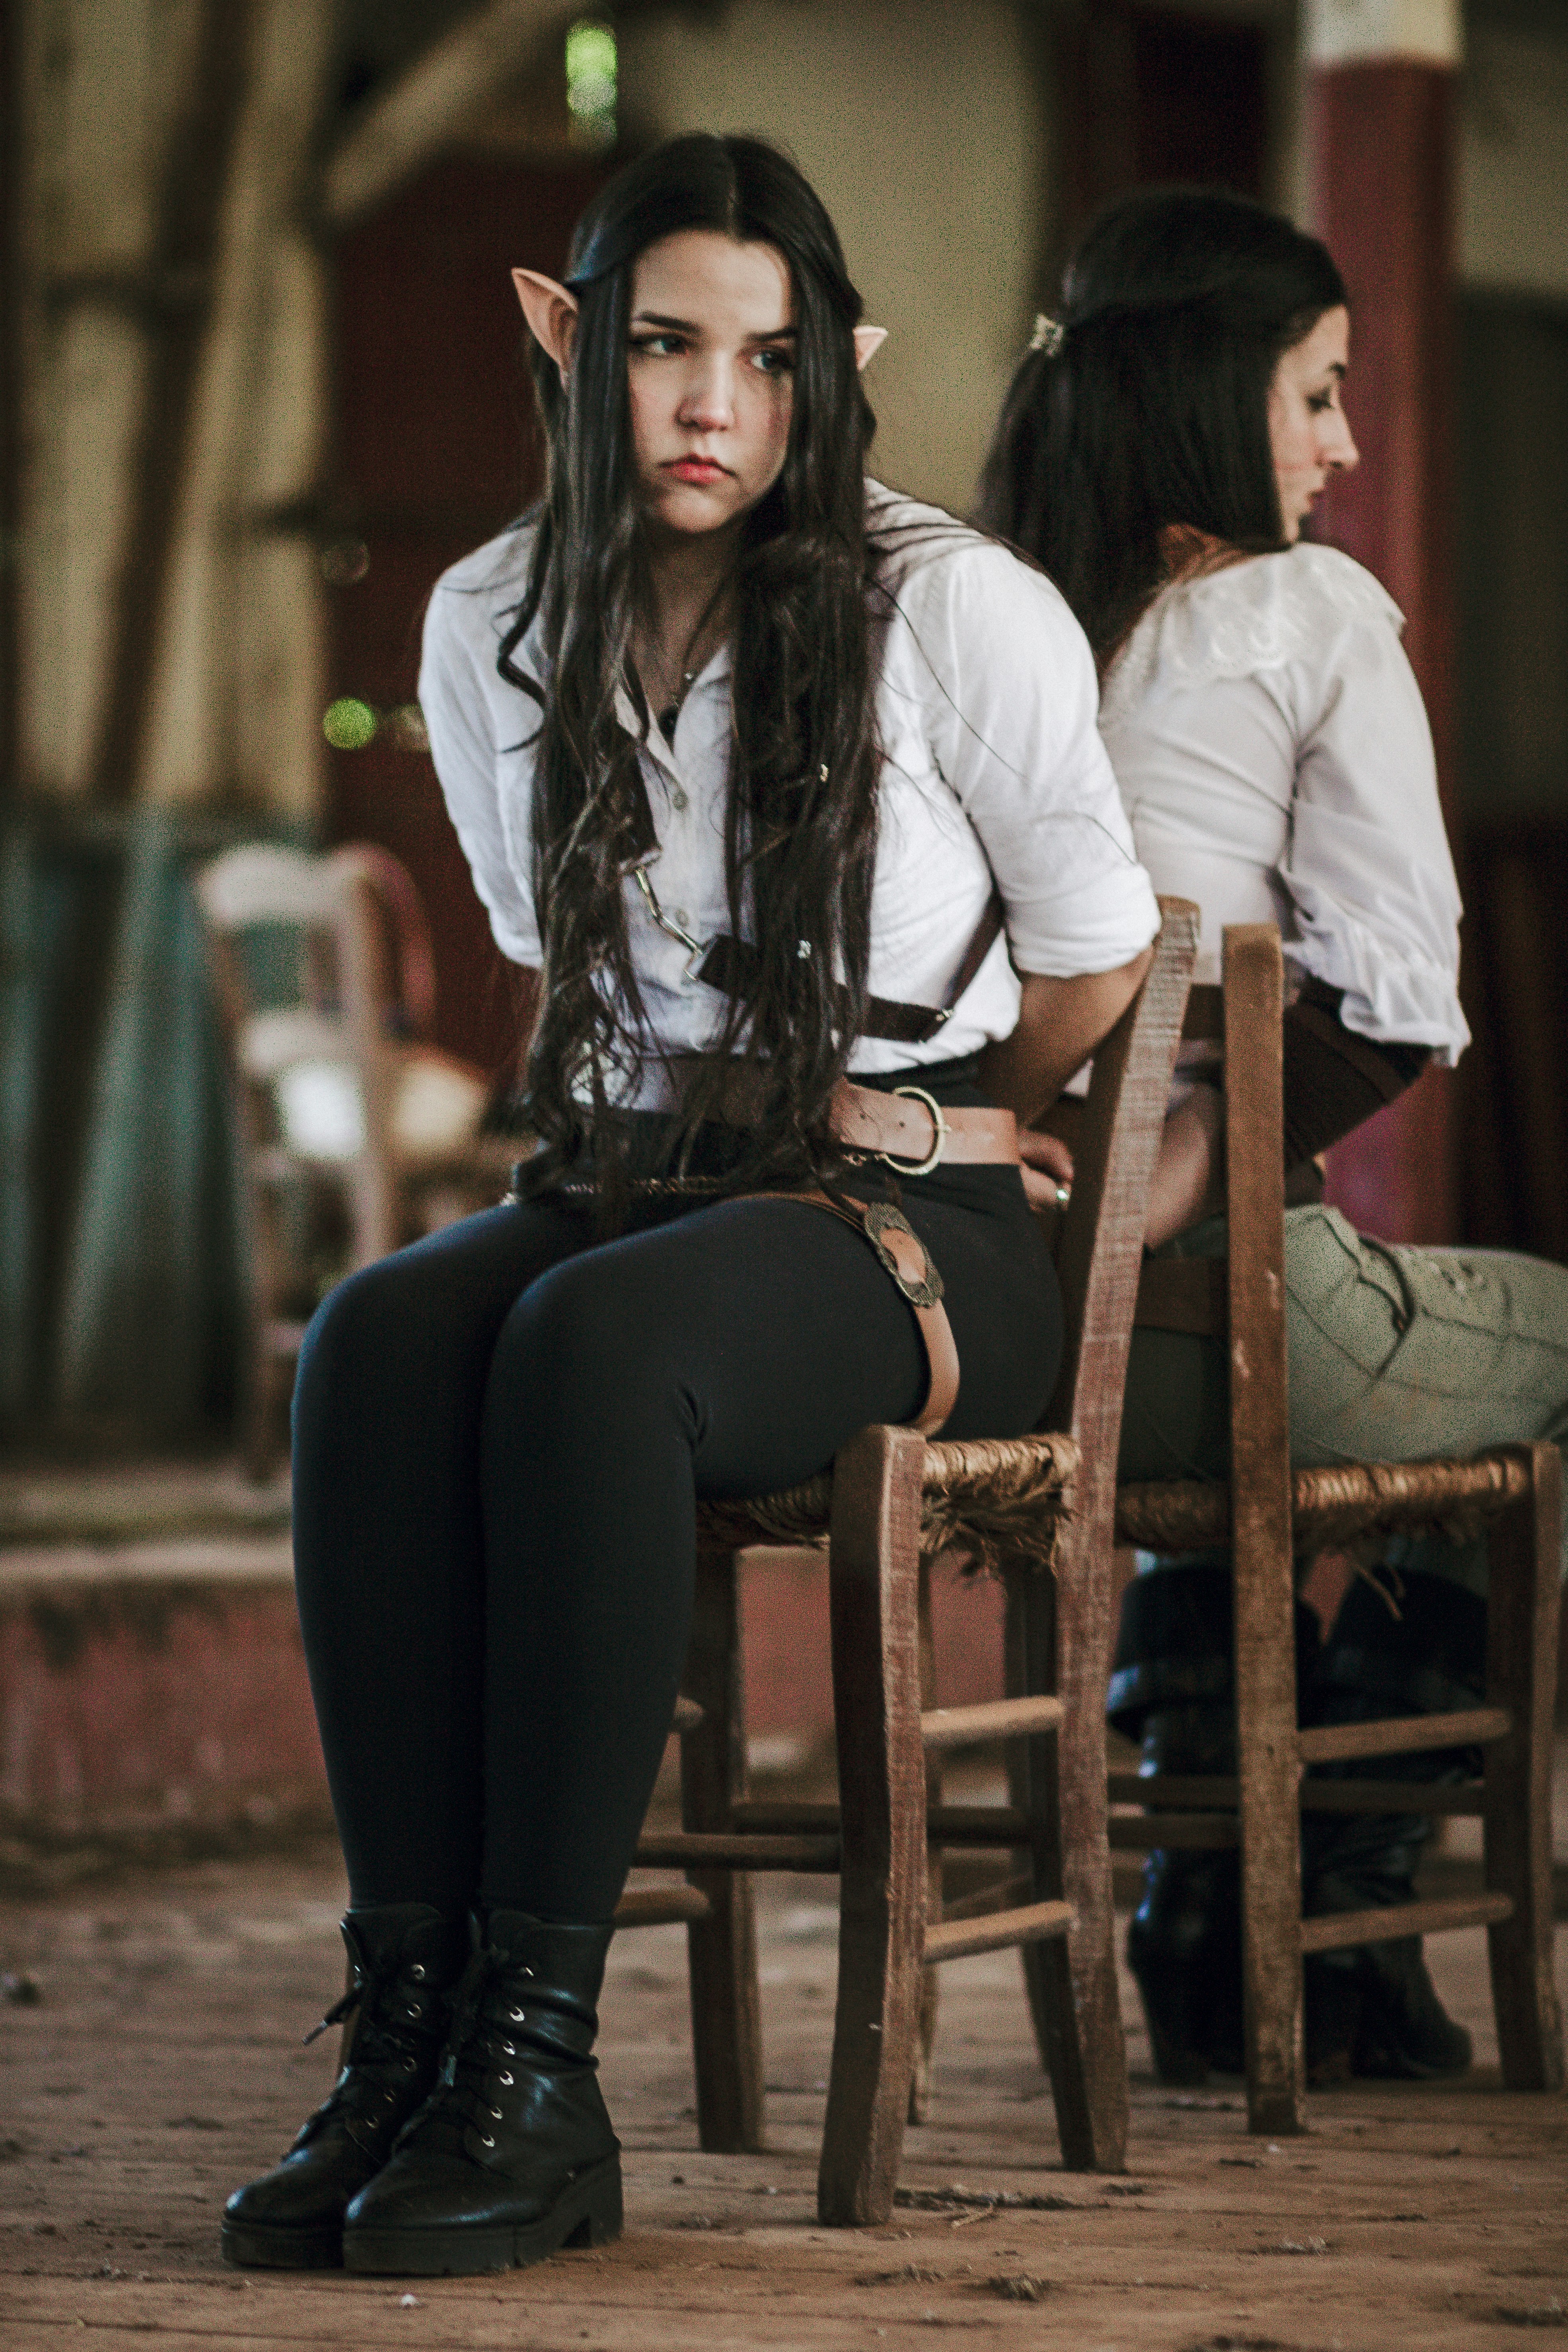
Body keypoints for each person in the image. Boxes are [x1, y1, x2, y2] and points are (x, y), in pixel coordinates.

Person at [221, 135, 1160, 2280]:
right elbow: (556, 954)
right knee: (380, 1332)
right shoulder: (489, 620)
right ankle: (414, 2042)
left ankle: (538, 2088)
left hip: (932, 1231)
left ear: (836, 368)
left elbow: (1100, 958)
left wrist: (938, 1127)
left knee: (596, 1342)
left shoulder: (959, 606)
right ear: (569, 343)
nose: (711, 403)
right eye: (658, 345)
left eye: (764, 355)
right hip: (656, 1176)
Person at [977, 185, 1568, 2089]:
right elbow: (1398, 991)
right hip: (1224, 1319)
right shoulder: (1304, 608)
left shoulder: (991, 623)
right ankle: (1347, 1908)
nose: (1344, 442)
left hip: (1000, 1332)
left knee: (1253, 1402)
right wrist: (1210, 1152)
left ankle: (1199, 1924)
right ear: (1216, 393)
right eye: (1316, 392)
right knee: (1536, 1371)